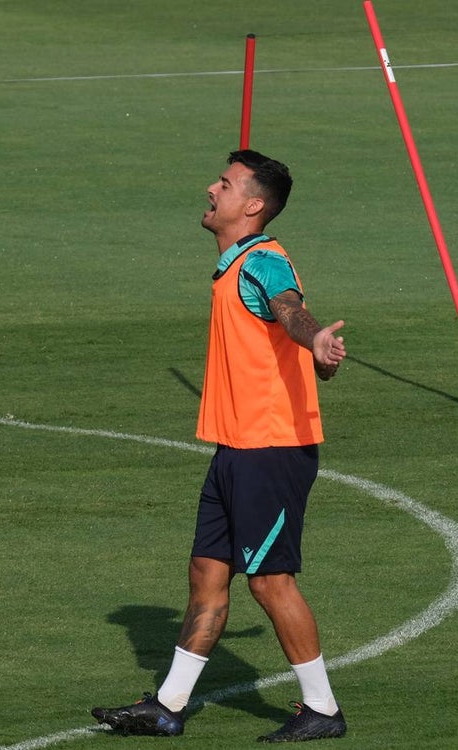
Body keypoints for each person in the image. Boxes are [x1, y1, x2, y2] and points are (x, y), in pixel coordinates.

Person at [92, 150, 348, 742]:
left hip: (271, 448)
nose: (212, 188)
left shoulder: (263, 263)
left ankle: (323, 709)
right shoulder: (236, 266)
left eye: (226, 184)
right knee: (207, 574)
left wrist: (315, 340)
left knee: (269, 581)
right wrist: (314, 350)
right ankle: (168, 705)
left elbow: (291, 311)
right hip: (236, 447)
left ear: (253, 205)